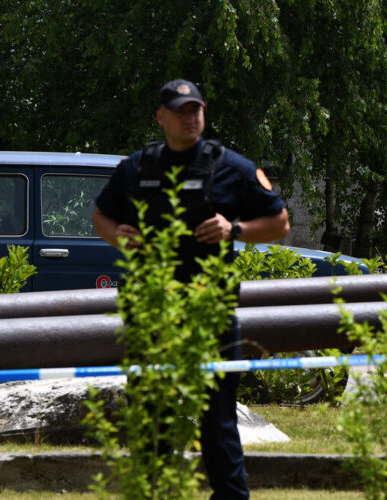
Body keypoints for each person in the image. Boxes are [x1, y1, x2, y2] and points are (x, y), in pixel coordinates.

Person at [93, 78, 290, 499]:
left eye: (195, 110)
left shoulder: (232, 167)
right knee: (152, 420)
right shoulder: (136, 168)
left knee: (217, 423)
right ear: (161, 117)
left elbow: (280, 224)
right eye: (180, 111)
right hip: (152, 315)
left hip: (210, 318)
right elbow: (100, 216)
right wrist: (117, 236)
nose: (190, 118)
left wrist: (234, 229)